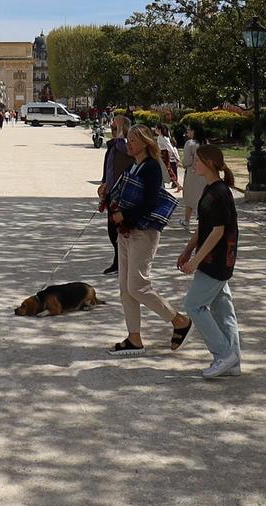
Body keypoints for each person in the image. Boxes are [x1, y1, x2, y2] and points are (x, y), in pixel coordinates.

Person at [106, 125, 193, 356]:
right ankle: (134, 337)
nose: (130, 144)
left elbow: (149, 202)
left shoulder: (152, 167)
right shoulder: (133, 166)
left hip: (144, 232)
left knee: (138, 286)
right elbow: (122, 194)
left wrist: (124, 215)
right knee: (125, 288)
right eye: (128, 140)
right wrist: (106, 194)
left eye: (134, 140)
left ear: (145, 142)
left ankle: (179, 321)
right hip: (127, 232)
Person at [177, 143, 242, 378]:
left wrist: (195, 261)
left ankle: (224, 354)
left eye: (198, 160)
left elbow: (217, 231)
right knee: (223, 310)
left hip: (217, 261)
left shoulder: (220, 193)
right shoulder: (209, 190)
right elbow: (202, 227)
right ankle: (233, 361)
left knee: (194, 305)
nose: (194, 163)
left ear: (210, 164)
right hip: (212, 260)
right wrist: (187, 251)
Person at [96, 113, 132, 274]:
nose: (112, 126)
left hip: (122, 193)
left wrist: (121, 130)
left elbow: (122, 145)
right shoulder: (113, 145)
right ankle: (118, 261)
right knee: (112, 230)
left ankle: (123, 263)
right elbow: (109, 166)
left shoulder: (125, 145)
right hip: (111, 191)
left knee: (121, 229)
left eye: (116, 125)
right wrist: (104, 182)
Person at [179, 122, 209, 227]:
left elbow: (187, 161)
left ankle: (187, 220)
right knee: (201, 196)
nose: (187, 132)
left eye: (188, 130)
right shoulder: (206, 143)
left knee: (190, 197)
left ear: (193, 131)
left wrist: (183, 164)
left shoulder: (190, 144)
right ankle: (203, 220)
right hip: (205, 174)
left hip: (192, 173)